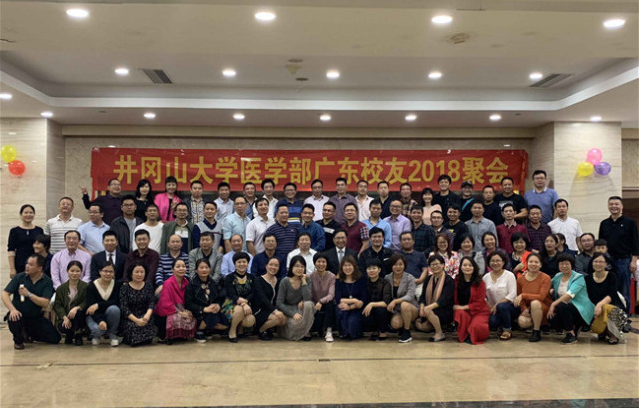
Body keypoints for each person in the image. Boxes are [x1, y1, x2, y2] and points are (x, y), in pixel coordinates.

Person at [2, 254, 60, 349]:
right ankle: (18, 340)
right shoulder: (19, 277)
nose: (27, 266)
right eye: (27, 263)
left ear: (39, 268)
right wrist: (12, 309)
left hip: (35, 317)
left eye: (31, 265)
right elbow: (5, 294)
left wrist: (29, 294)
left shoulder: (47, 281)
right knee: (14, 319)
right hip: (19, 314)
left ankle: (28, 333)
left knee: (55, 338)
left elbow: (45, 302)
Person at [598, 196, 638, 315]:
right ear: (608, 206)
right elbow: (601, 244)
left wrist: (633, 261)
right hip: (608, 261)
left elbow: (635, 243)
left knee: (624, 289)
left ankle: (625, 317)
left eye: (616, 204)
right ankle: (611, 317)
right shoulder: (604, 223)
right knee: (609, 289)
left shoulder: (630, 223)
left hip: (624, 260)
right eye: (611, 204)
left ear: (621, 206)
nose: (614, 206)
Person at [547, 253, 594, 344]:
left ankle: (571, 334)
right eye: (561, 264)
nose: (564, 266)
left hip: (580, 310)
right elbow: (546, 284)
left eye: (567, 264)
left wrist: (553, 304)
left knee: (561, 305)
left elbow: (569, 295)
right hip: (566, 309)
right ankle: (574, 327)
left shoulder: (578, 277)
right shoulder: (558, 276)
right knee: (552, 318)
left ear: (572, 265)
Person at [585, 252, 626, 344]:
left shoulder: (612, 276)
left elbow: (611, 294)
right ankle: (602, 331)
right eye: (595, 261)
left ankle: (613, 335)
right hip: (593, 309)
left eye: (601, 262)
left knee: (606, 307)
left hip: (612, 307)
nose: (598, 264)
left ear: (606, 264)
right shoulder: (587, 278)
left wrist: (600, 305)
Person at [185, 258, 229, 343]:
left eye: (206, 267)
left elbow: (219, 298)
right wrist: (204, 309)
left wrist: (217, 305)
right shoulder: (191, 285)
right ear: (196, 270)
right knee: (211, 313)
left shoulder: (213, 283)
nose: (204, 270)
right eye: (201, 268)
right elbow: (189, 304)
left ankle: (226, 328)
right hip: (199, 312)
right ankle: (200, 330)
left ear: (209, 269)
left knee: (228, 304)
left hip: (213, 310)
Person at [154, 258, 196, 344]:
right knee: (177, 318)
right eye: (178, 266)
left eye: (183, 266)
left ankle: (181, 335)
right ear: (172, 269)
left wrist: (187, 311)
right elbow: (166, 303)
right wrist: (180, 313)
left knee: (190, 317)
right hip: (167, 312)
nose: (181, 268)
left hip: (181, 309)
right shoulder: (168, 283)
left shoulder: (186, 282)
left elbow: (188, 300)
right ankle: (168, 336)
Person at [415, 254, 455, 342]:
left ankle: (439, 333)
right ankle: (439, 326)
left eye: (437, 264)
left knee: (426, 315)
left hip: (444, 310)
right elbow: (422, 296)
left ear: (443, 265)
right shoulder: (428, 279)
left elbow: (445, 299)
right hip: (429, 309)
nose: (434, 266)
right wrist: (422, 307)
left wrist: (428, 307)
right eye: (432, 265)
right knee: (420, 326)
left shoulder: (449, 280)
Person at [514, 252, 552, 342]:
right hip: (529, 308)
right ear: (526, 264)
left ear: (541, 264)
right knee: (522, 322)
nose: (533, 264)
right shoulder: (521, 278)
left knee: (535, 303)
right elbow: (519, 297)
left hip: (543, 307)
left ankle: (536, 331)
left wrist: (524, 295)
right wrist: (524, 309)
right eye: (530, 262)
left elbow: (541, 297)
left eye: (536, 262)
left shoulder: (546, 278)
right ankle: (536, 324)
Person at [276, 255, 315, 341]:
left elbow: (308, 298)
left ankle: (305, 332)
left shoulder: (307, 280)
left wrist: (303, 282)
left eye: (302, 266)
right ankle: (303, 332)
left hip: (301, 310)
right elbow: (279, 303)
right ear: (291, 267)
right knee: (294, 324)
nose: (299, 269)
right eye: (297, 266)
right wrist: (293, 314)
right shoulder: (285, 281)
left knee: (309, 304)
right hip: (289, 311)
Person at [453, 256, 490, 345]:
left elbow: (480, 302)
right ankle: (465, 335)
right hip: (464, 312)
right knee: (459, 313)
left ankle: (474, 334)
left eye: (470, 265)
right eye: (465, 265)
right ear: (460, 267)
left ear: (474, 267)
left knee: (476, 327)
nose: (467, 267)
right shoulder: (456, 281)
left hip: (479, 311)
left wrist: (463, 307)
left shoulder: (480, 283)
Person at [85, 261, 122, 346]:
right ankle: (96, 336)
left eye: (111, 271)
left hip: (110, 314)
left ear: (114, 273)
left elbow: (116, 301)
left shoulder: (117, 285)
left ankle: (112, 334)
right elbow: (90, 308)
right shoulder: (91, 287)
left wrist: (98, 305)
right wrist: (100, 321)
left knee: (114, 309)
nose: (108, 274)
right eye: (105, 271)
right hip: (94, 315)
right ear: (100, 272)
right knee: (97, 330)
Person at [119, 263, 157, 346]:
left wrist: (147, 315)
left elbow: (151, 302)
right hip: (130, 317)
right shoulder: (124, 288)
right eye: (136, 272)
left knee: (148, 324)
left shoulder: (149, 286)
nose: (139, 274)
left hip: (145, 316)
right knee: (134, 327)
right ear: (131, 273)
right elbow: (124, 308)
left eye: (142, 272)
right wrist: (136, 320)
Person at [384, 253, 419, 343]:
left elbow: (410, 296)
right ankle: (404, 326)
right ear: (391, 266)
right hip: (397, 310)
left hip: (411, 307)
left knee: (404, 305)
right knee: (395, 324)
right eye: (395, 264)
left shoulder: (410, 278)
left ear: (404, 265)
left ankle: (407, 332)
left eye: (400, 264)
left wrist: (395, 301)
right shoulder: (387, 278)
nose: (398, 267)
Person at [483, 251, 517, 341]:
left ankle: (507, 329)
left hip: (509, 307)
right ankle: (501, 326)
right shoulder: (486, 277)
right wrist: (489, 306)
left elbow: (513, 294)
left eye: (498, 261)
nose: (495, 263)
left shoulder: (509, 275)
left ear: (503, 262)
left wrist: (497, 304)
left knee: (502, 306)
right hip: (493, 308)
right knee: (492, 322)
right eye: (492, 261)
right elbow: (483, 295)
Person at [224, 252, 257, 343]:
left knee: (250, 320)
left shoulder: (252, 278)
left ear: (247, 263)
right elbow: (231, 294)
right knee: (239, 310)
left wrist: (246, 302)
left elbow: (253, 293)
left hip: (247, 304)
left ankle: (240, 329)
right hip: (230, 304)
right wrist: (243, 303)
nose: (242, 264)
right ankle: (232, 331)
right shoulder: (229, 277)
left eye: (244, 262)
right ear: (235, 264)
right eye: (239, 262)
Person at [53, 260, 87, 346]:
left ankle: (78, 334)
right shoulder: (61, 288)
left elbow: (87, 301)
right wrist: (64, 317)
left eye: (77, 271)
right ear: (67, 271)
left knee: (78, 313)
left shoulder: (86, 287)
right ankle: (69, 334)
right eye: (72, 271)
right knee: (63, 326)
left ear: (81, 272)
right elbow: (57, 305)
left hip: (80, 316)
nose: (74, 273)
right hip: (66, 315)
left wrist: (77, 308)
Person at [252, 257, 287, 340]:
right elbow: (262, 298)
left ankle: (266, 329)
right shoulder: (258, 280)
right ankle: (259, 330)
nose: (273, 267)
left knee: (284, 320)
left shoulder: (279, 281)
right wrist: (275, 311)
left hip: (272, 309)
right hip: (260, 309)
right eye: (271, 264)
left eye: (276, 265)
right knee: (277, 318)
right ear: (266, 266)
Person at [334, 255, 367, 340]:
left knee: (352, 321)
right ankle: (343, 333)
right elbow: (338, 298)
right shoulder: (339, 280)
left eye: (349, 265)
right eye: (345, 265)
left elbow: (362, 301)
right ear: (341, 267)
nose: (347, 268)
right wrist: (354, 300)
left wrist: (351, 306)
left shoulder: (361, 279)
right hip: (343, 307)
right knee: (342, 313)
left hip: (356, 308)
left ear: (354, 266)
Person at [8, 204, 44, 278]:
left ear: (34, 214)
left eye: (31, 213)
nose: (28, 215)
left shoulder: (39, 230)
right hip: (19, 264)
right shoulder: (14, 231)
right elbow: (11, 250)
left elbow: (42, 249)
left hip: (35, 264)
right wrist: (12, 269)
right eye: (26, 212)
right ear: (21, 215)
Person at [362, 258, 392, 341]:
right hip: (369, 310)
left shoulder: (385, 283)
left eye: (374, 268)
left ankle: (382, 331)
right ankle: (374, 330)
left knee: (380, 310)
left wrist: (371, 304)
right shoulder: (364, 283)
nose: (371, 271)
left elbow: (386, 302)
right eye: (369, 268)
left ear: (379, 270)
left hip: (383, 310)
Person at [309, 253, 336, 342]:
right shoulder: (310, 276)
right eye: (318, 261)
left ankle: (329, 331)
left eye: (323, 262)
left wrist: (321, 301)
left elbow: (331, 294)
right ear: (314, 263)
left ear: (327, 263)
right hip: (314, 303)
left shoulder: (331, 276)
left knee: (330, 304)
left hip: (326, 302)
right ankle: (307, 331)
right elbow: (309, 294)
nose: (321, 264)